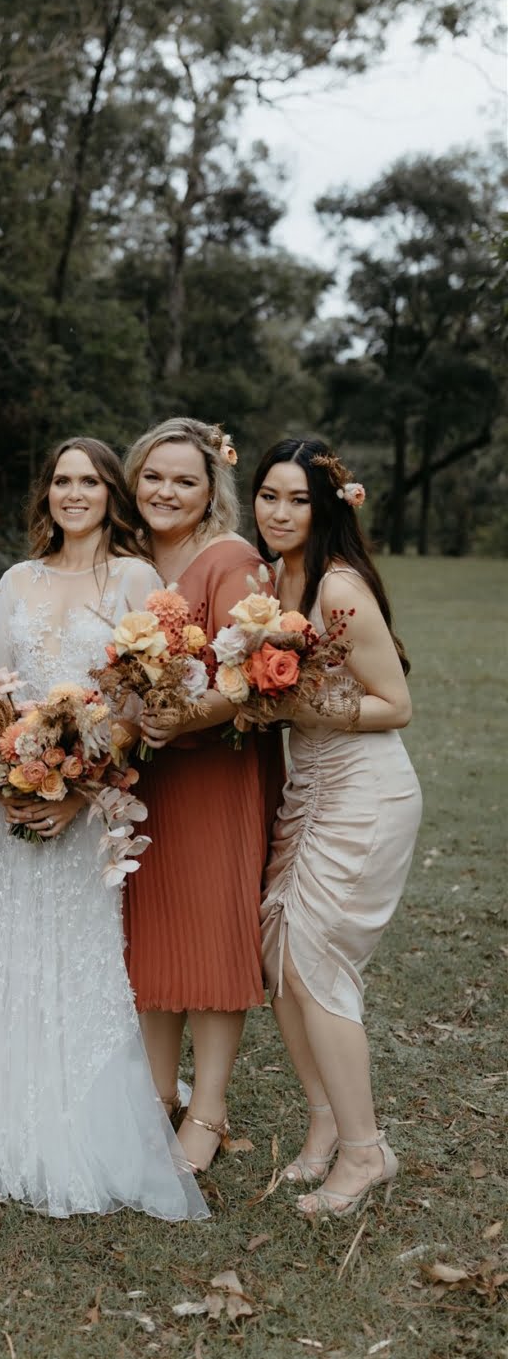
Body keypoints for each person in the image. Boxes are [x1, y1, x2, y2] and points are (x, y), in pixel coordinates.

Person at [0, 439, 208, 1221]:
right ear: (46, 494)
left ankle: (76, 1125)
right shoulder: (18, 580)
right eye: (61, 480)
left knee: (73, 960)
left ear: (111, 493)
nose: (74, 493)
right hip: (7, 809)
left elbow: (138, 710)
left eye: (89, 481)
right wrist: (1, 771)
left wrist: (77, 792)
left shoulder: (136, 579)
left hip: (86, 812)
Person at [253, 438, 421, 1216]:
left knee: (317, 964)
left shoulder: (338, 587)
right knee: (280, 956)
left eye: (298, 500)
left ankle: (366, 1151)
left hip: (365, 793)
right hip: (309, 789)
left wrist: (298, 704)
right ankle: (325, 1123)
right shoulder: (271, 581)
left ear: (325, 508)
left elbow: (396, 704)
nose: (281, 513)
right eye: (270, 496)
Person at [121, 416, 281, 1173]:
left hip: (216, 774)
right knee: (152, 935)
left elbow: (254, 675)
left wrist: (184, 715)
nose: (166, 491)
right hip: (149, 777)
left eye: (185, 480)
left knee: (214, 938)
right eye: (153, 476)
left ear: (211, 490)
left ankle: (208, 1110)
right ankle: (157, 1096)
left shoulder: (230, 559)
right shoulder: (129, 558)